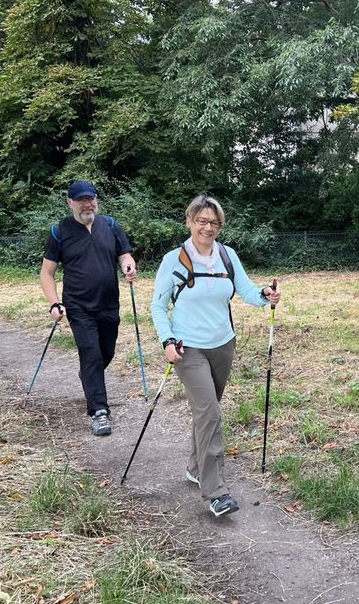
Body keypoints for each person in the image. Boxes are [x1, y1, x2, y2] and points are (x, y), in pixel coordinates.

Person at [150, 195, 280, 518]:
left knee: (206, 412)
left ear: (219, 225)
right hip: (187, 348)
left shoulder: (227, 255)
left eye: (214, 222)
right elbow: (157, 306)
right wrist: (166, 341)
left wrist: (265, 295)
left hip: (223, 345)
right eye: (201, 221)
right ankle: (215, 492)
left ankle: (195, 467)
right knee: (210, 413)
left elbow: (246, 290)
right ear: (190, 221)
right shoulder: (174, 260)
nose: (208, 227)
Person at [40, 180, 137, 436]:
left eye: (91, 198)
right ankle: (99, 412)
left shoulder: (111, 225)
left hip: (109, 304)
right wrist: (54, 303)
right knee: (91, 354)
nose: (88, 204)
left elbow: (124, 254)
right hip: (78, 306)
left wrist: (128, 265)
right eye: (81, 199)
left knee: (106, 352)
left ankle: (89, 377)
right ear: (70, 202)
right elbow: (47, 273)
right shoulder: (59, 231)